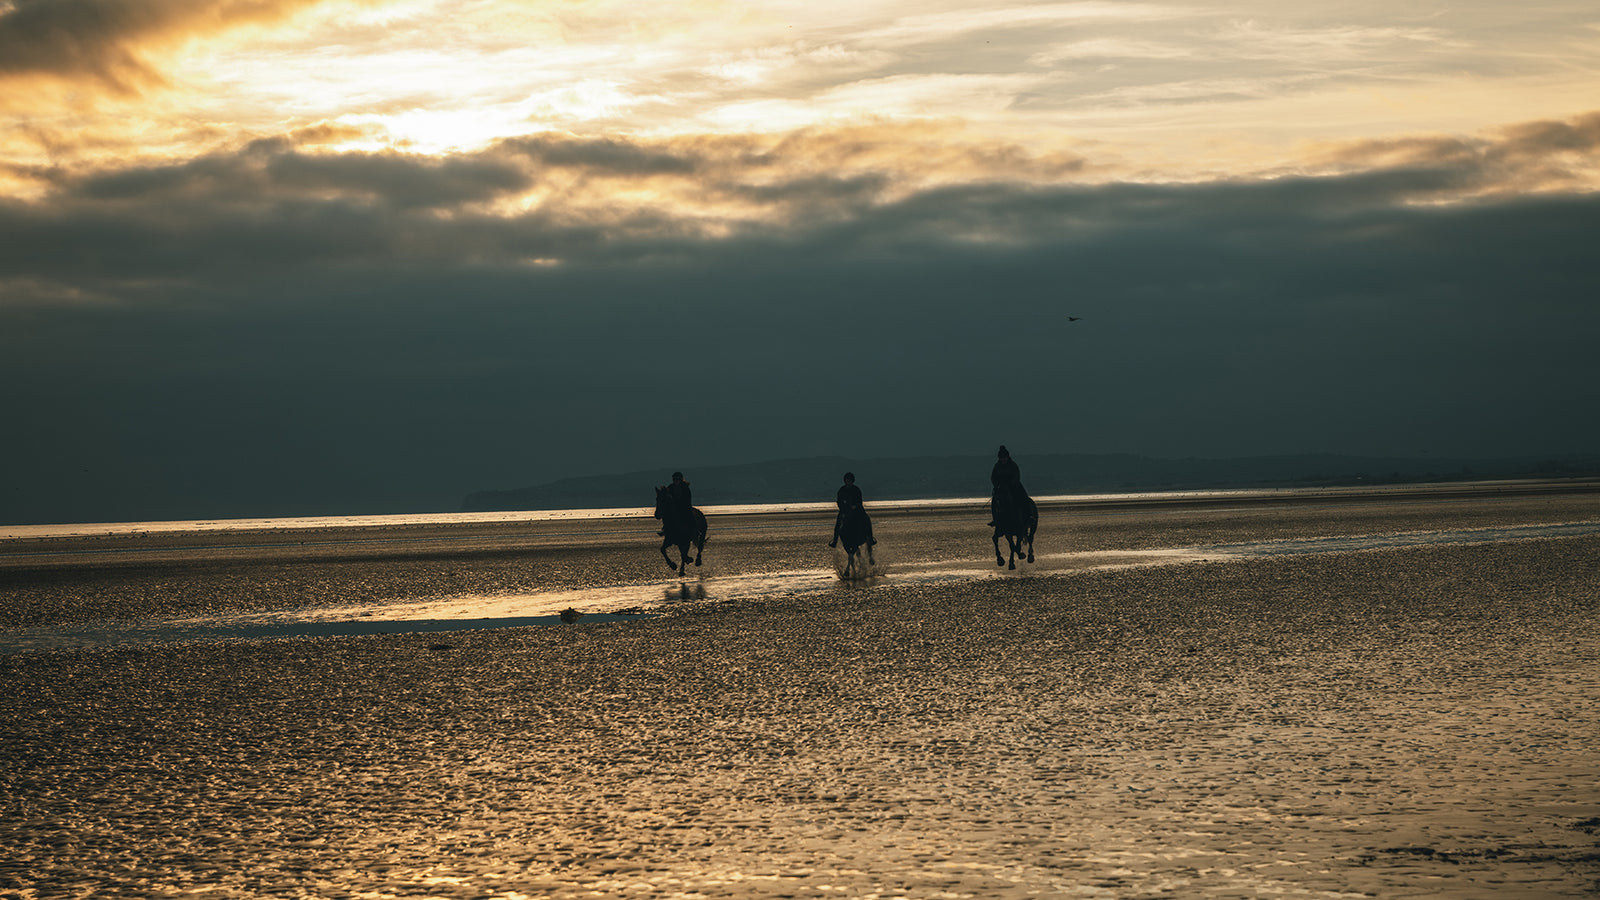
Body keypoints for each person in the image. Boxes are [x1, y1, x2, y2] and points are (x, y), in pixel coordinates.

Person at [828, 471, 877, 548]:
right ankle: (835, 540)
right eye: (847, 480)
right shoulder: (842, 490)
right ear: (845, 481)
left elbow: (859, 501)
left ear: (852, 481)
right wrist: (843, 508)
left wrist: (855, 506)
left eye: (849, 480)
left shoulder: (856, 489)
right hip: (845, 511)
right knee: (838, 524)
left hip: (857, 510)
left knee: (866, 519)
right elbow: (839, 501)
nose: (848, 482)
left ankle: (870, 538)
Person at [989, 445, 1028, 526]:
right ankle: (995, 519)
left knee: (1024, 498)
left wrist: (1011, 484)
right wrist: (996, 485)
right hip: (1001, 487)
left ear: (1007, 457)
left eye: (1004, 458)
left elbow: (1017, 476)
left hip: (1014, 486)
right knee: (994, 501)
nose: (1003, 459)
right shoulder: (997, 466)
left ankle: (1029, 516)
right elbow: (993, 477)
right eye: (1001, 458)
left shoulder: (1013, 465)